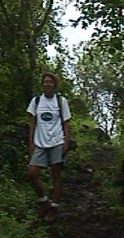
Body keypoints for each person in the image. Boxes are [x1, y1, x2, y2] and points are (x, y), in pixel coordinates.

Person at [27, 72, 71, 223]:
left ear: (55, 84)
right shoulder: (36, 101)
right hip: (40, 142)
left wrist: (66, 142)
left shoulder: (61, 101)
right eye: (45, 82)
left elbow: (66, 122)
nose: (48, 84)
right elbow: (32, 122)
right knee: (32, 173)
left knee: (56, 175)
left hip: (57, 141)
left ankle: (54, 208)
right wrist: (31, 142)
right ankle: (44, 201)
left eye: (50, 82)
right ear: (42, 84)